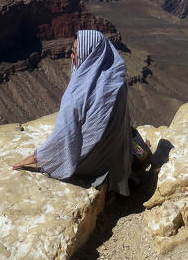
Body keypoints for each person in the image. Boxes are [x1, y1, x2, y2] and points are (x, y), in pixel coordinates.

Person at [11, 29, 133, 195]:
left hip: (93, 164)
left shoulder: (79, 93)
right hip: (118, 158)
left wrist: (37, 157)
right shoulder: (116, 78)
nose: (71, 56)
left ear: (89, 54)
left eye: (75, 51)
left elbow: (65, 135)